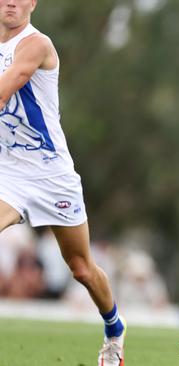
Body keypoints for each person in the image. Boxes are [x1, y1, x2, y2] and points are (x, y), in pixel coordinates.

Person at [0, 1, 126, 365]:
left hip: (51, 175)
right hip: (9, 175)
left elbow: (4, 90)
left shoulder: (36, 44)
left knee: (81, 268)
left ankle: (114, 330)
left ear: (33, 3)